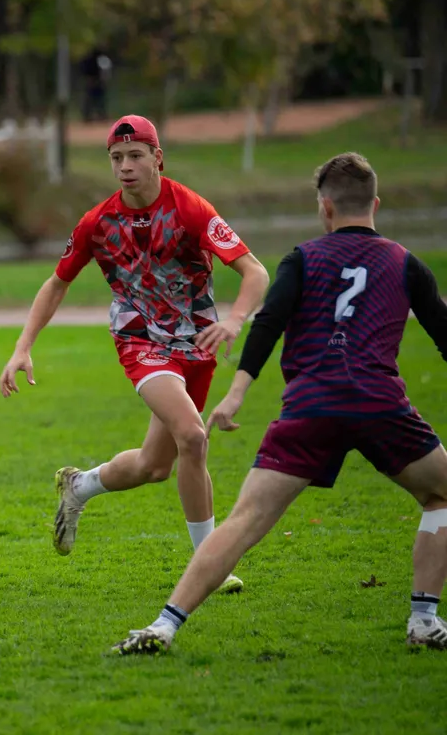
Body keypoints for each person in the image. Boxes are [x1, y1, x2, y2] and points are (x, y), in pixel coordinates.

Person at [114, 152, 447, 654]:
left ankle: (163, 625)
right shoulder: (406, 264)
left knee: (244, 520)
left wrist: (236, 393)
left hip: (311, 407)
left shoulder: (304, 258)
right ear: (374, 203)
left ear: (325, 208)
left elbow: (267, 324)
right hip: (381, 406)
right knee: (440, 493)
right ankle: (423, 619)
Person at [0, 115, 269, 590]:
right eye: (116, 158)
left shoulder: (191, 209)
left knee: (155, 466)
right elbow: (56, 284)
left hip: (198, 341)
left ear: (157, 158)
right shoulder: (97, 222)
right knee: (193, 436)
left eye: (135, 156)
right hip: (140, 339)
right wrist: (23, 347)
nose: (125, 166)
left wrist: (233, 319)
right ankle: (209, 564)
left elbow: (255, 272)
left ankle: (79, 485)